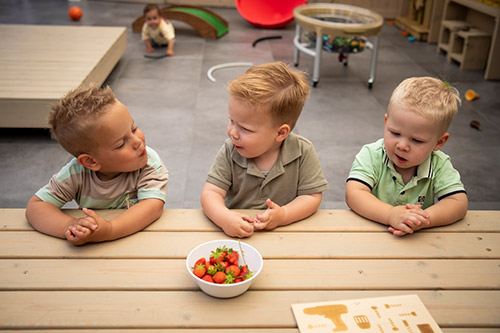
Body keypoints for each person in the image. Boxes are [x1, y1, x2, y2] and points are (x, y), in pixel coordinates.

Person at [25, 84, 169, 245]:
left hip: (139, 241)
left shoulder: (148, 163)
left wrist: (110, 229)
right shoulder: (75, 174)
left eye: (133, 129)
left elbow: (152, 206)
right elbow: (36, 207)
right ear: (90, 161)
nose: (137, 142)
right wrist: (69, 226)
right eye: (121, 144)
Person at [201, 61, 328, 238]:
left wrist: (283, 215)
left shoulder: (302, 151)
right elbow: (211, 193)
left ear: (281, 133)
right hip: (237, 235)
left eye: (245, 129)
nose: (232, 133)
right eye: (231, 121)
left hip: (286, 235)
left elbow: (312, 197)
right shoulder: (230, 150)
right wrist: (224, 218)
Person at [345, 77, 468, 236]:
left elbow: (458, 203)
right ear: (386, 123)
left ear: (439, 142)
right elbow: (354, 193)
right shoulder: (371, 154)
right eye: (395, 133)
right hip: (369, 234)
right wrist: (390, 214)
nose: (402, 146)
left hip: (417, 242)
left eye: (416, 140)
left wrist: (421, 220)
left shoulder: (439, 164)